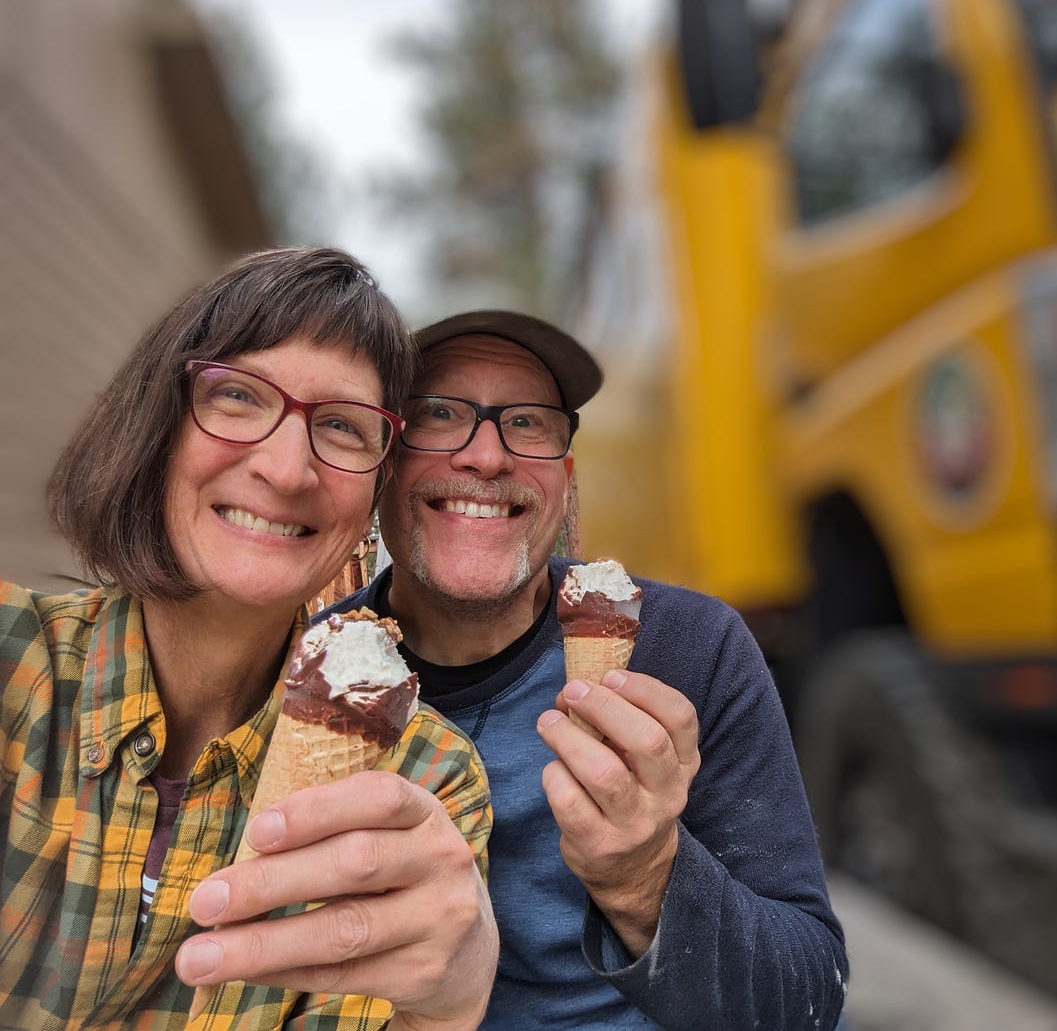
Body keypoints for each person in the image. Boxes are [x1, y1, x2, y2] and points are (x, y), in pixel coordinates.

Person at [0, 248, 498, 1029]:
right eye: (237, 396)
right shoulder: (12, 661)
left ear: (375, 489)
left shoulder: (420, 784)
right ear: (157, 425)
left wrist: (446, 1008)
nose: (287, 468)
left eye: (342, 425)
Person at [325, 310, 849, 1029]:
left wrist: (646, 878)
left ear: (564, 479)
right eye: (439, 414)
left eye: (530, 422)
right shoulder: (312, 671)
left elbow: (807, 998)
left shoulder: (688, 649)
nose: (486, 457)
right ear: (384, 460)